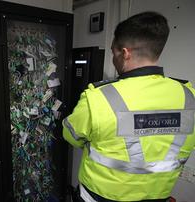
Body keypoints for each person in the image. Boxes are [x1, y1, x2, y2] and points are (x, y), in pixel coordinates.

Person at [63, 11, 195, 202]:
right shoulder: (189, 97)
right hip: (158, 196)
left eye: (113, 51)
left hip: (99, 197)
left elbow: (71, 136)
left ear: (125, 53)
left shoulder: (99, 97)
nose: (113, 58)